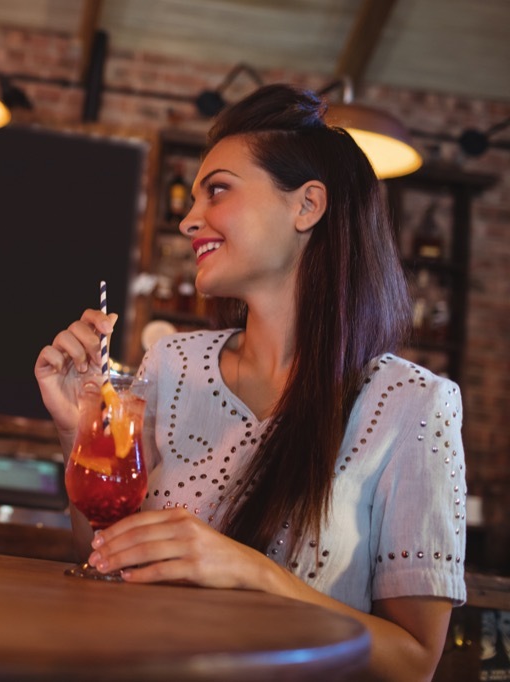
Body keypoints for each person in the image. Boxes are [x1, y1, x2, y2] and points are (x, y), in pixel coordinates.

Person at [36, 84, 465, 680]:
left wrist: (249, 571)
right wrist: (76, 429)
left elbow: (415, 661)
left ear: (306, 206)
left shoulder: (415, 404)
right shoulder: (171, 364)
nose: (188, 220)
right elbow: (99, 555)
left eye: (218, 190)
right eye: (192, 199)